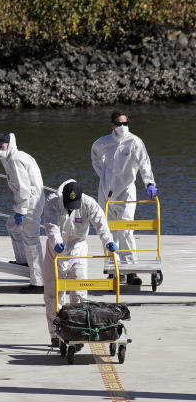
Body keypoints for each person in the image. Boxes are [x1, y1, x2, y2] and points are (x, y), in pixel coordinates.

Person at [42, 179, 118, 344]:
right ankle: (55, 334)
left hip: (78, 252)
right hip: (55, 253)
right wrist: (56, 242)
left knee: (79, 295)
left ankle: (77, 333)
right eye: (69, 204)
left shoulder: (88, 203)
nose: (71, 208)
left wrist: (108, 242)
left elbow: (101, 223)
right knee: (53, 296)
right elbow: (51, 224)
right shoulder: (52, 202)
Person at [90, 111, 157, 286]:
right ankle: (114, 269)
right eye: (119, 123)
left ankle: (130, 270)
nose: (123, 127)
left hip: (126, 191)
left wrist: (149, 183)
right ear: (112, 125)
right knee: (109, 230)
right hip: (106, 192)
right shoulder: (103, 142)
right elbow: (95, 158)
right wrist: (102, 174)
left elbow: (144, 163)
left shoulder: (134, 141)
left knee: (126, 229)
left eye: (125, 123)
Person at [0, 133, 45, 293]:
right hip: (27, 201)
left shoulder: (16, 159)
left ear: (10, 144)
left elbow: (23, 188)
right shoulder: (12, 157)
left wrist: (21, 210)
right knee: (12, 226)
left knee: (31, 240)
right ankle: (22, 261)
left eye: (1, 146)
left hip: (30, 202)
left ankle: (39, 283)